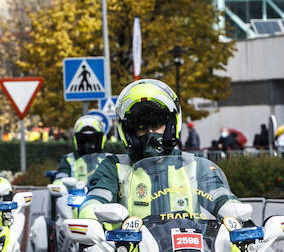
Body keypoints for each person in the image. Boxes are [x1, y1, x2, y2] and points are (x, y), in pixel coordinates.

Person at [80, 78, 245, 221]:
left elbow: (219, 194)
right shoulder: (114, 167)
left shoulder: (194, 164)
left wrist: (234, 210)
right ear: (129, 131)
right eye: (141, 126)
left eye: (157, 123)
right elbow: (98, 196)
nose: (150, 132)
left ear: (171, 126)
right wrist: (91, 213)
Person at [54, 113, 115, 187]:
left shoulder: (109, 159)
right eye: (84, 140)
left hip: (105, 197)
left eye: (93, 139)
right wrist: (60, 183)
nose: (89, 144)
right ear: (77, 139)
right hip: (74, 196)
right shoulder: (68, 159)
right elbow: (59, 179)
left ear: (101, 139)